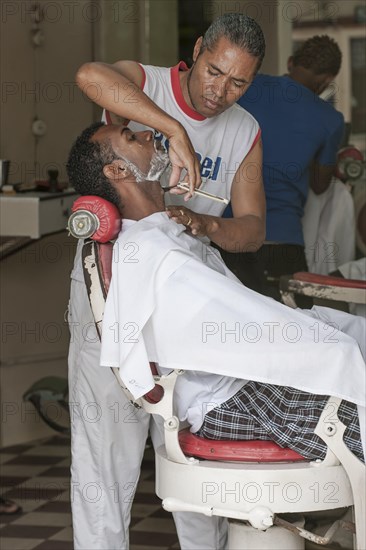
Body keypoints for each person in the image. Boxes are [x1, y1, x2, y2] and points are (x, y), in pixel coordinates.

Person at [69, 14, 266, 550]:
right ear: (197, 51)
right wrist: (174, 129)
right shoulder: (145, 84)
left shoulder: (244, 131)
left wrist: (205, 223)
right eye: (213, 71)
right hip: (114, 292)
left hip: (189, 297)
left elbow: (251, 230)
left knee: (195, 453)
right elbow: (91, 74)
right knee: (104, 460)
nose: (219, 92)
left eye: (238, 82)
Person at [67, 122, 363, 465]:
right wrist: (329, 346)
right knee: (342, 350)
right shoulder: (153, 251)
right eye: (132, 138)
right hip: (235, 400)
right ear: (117, 170)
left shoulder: (164, 235)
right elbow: (246, 326)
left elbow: (242, 319)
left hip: (241, 388)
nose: (149, 135)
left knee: (348, 336)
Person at [219, 35, 345, 300]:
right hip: (284, 241)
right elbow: (321, 185)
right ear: (325, 82)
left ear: (290, 62)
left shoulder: (250, 87)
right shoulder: (331, 120)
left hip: (231, 232)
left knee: (235, 325)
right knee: (299, 329)